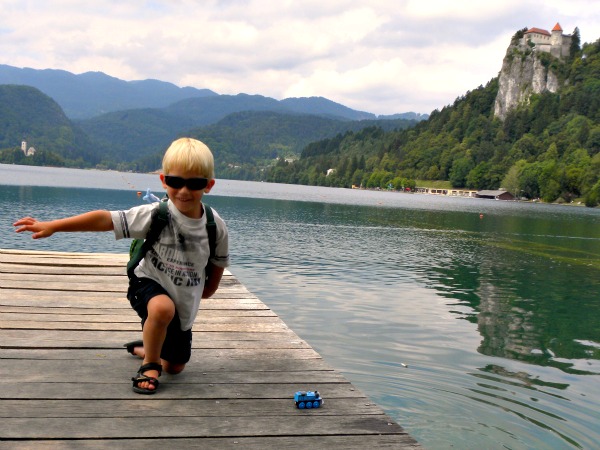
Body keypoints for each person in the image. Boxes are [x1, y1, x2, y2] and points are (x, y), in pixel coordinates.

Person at [13, 137, 230, 394]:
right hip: (147, 283)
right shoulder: (155, 214)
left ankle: (148, 349)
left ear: (209, 185)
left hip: (184, 299)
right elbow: (105, 219)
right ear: (163, 181)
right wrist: (54, 226)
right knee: (161, 309)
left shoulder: (214, 226)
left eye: (194, 183)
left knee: (176, 366)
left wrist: (209, 289)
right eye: (175, 181)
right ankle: (149, 366)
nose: (183, 191)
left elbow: (218, 261)